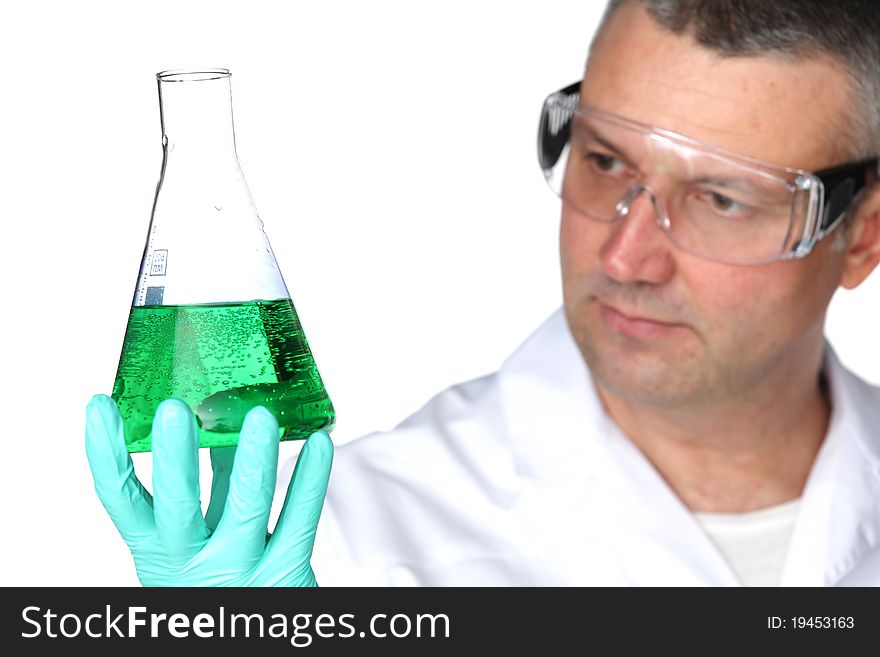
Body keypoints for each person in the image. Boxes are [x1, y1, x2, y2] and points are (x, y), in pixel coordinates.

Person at [86, 0, 880, 586]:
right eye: (604, 161)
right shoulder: (343, 548)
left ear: (863, 236)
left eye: (723, 198)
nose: (626, 254)